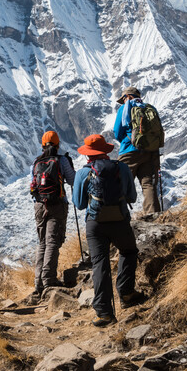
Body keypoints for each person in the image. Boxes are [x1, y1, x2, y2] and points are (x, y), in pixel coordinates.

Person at [72, 134, 144, 326]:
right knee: (128, 251)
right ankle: (127, 293)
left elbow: (79, 204)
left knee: (99, 264)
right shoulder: (121, 167)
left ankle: (104, 313)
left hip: (95, 224)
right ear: (106, 151)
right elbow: (132, 196)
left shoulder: (82, 173)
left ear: (88, 155)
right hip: (120, 219)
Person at [27, 130, 75, 304]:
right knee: (53, 241)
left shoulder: (36, 162)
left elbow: (33, 184)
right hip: (57, 204)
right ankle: (49, 279)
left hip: (39, 205)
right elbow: (72, 180)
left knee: (43, 243)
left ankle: (38, 282)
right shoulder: (61, 160)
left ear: (42, 145)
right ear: (58, 144)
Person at [113, 86, 164, 214]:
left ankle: (119, 218)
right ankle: (153, 215)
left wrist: (128, 141)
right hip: (150, 151)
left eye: (123, 98)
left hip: (129, 151)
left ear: (127, 96)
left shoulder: (125, 108)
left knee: (120, 185)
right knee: (148, 184)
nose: (123, 101)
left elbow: (117, 132)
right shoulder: (150, 108)